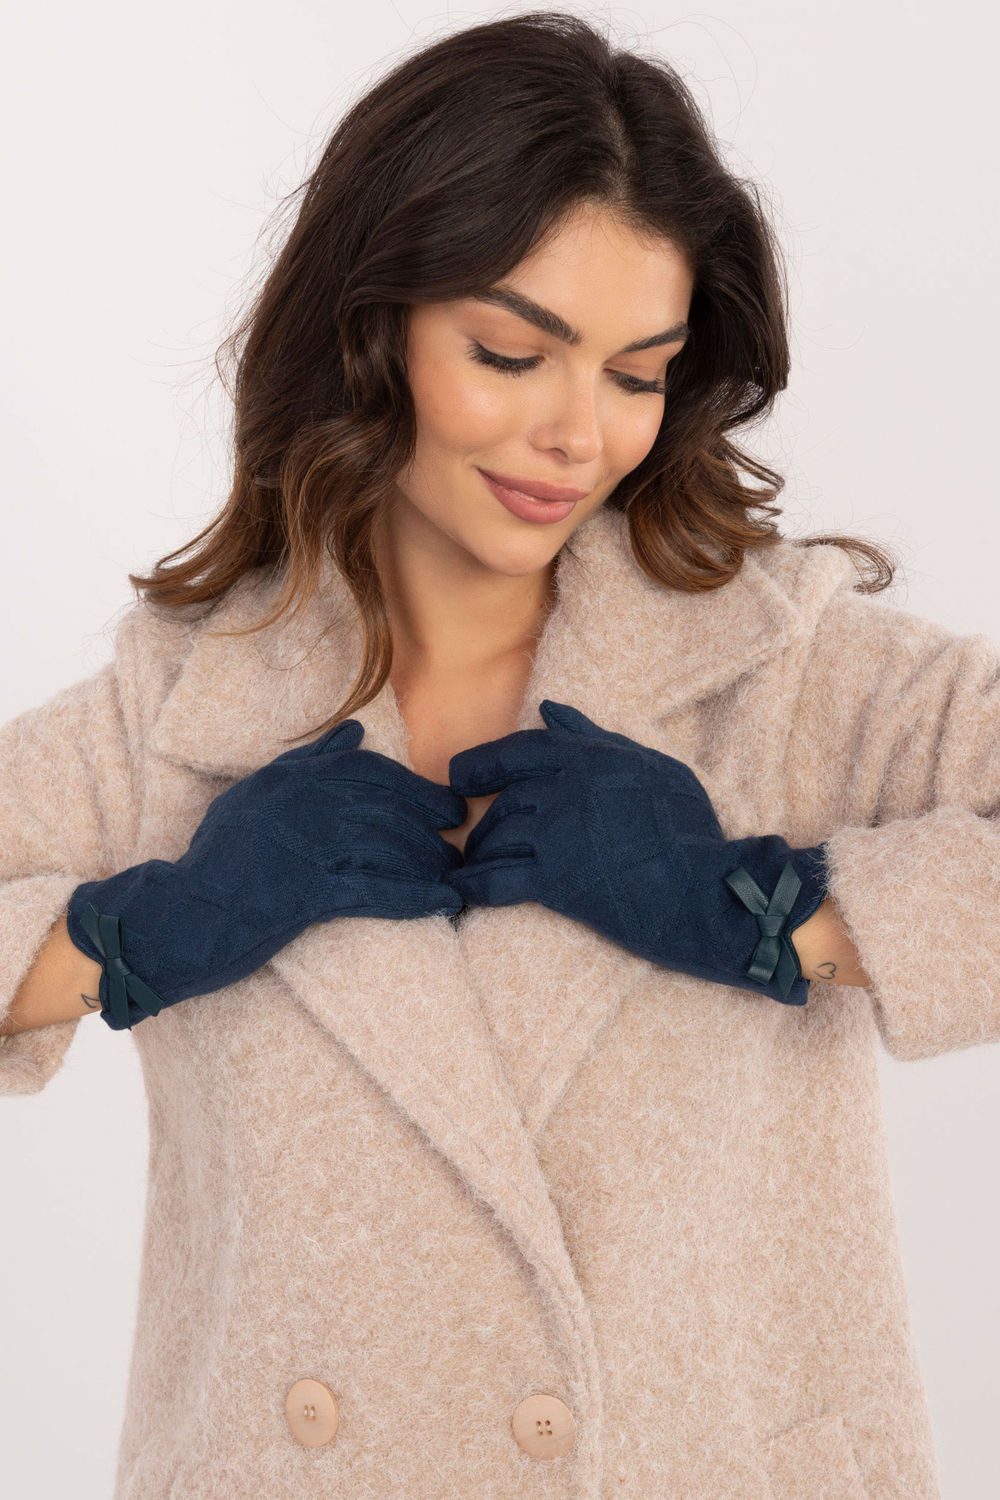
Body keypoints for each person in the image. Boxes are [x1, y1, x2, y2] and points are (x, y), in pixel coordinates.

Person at [1, 13, 994, 1498]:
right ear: (371, 332)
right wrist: (127, 937)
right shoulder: (186, 710)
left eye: (637, 374)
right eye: (511, 354)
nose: (578, 435)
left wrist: (777, 917)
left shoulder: (784, 671)